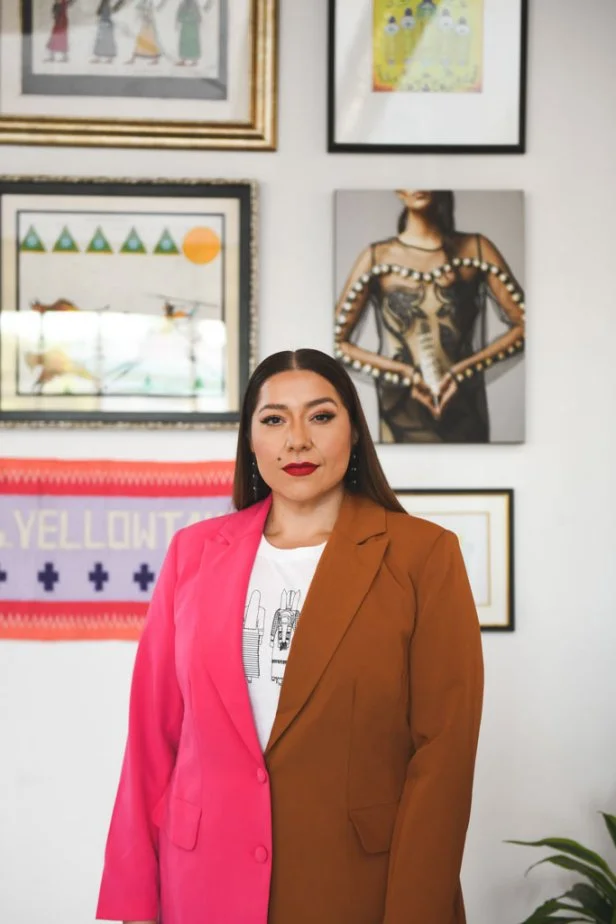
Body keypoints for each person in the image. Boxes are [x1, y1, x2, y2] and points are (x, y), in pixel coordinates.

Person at [96, 348, 484, 924]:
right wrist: (134, 902)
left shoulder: (422, 555)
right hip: (200, 886)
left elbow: (443, 757)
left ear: (354, 432)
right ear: (250, 440)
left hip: (355, 888)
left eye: (321, 416)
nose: (296, 440)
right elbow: (152, 741)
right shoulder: (193, 554)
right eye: (274, 419)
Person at [335, 189, 525, 443]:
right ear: (397, 190)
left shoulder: (476, 249)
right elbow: (336, 341)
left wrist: (461, 372)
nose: (418, 184)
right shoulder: (377, 257)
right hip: (401, 408)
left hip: (463, 407)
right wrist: (405, 374)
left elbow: (526, 327)